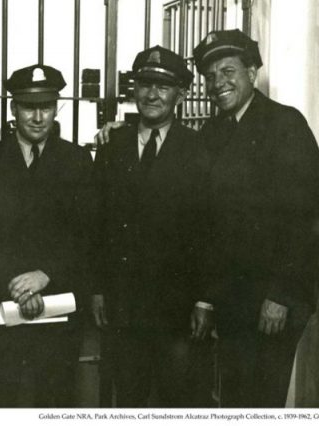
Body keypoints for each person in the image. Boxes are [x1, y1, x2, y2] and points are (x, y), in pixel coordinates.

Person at [192, 29, 319, 407]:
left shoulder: (285, 125)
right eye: (211, 76)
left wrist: (280, 295)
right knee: (235, 398)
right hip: (232, 298)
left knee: (262, 400)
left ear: (252, 72)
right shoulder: (213, 131)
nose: (219, 83)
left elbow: (303, 218)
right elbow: (207, 222)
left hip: (275, 298)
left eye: (228, 71)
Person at [91, 46, 214, 407]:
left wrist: (205, 300)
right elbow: (98, 226)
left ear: (180, 93)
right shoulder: (113, 145)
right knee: (127, 397)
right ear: (134, 90)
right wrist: (98, 289)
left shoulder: (198, 150)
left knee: (178, 400)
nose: (152, 94)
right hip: (123, 306)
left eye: (163, 86)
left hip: (178, 309)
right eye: (145, 84)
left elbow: (210, 231)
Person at [0, 64, 96, 407]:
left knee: (55, 399)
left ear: (56, 108)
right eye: (28, 107)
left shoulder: (78, 161)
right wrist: (18, 286)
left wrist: (46, 275)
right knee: (0, 399)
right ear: (13, 109)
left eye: (47, 107)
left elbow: (88, 234)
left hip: (59, 306)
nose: (38, 117)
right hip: (1, 301)